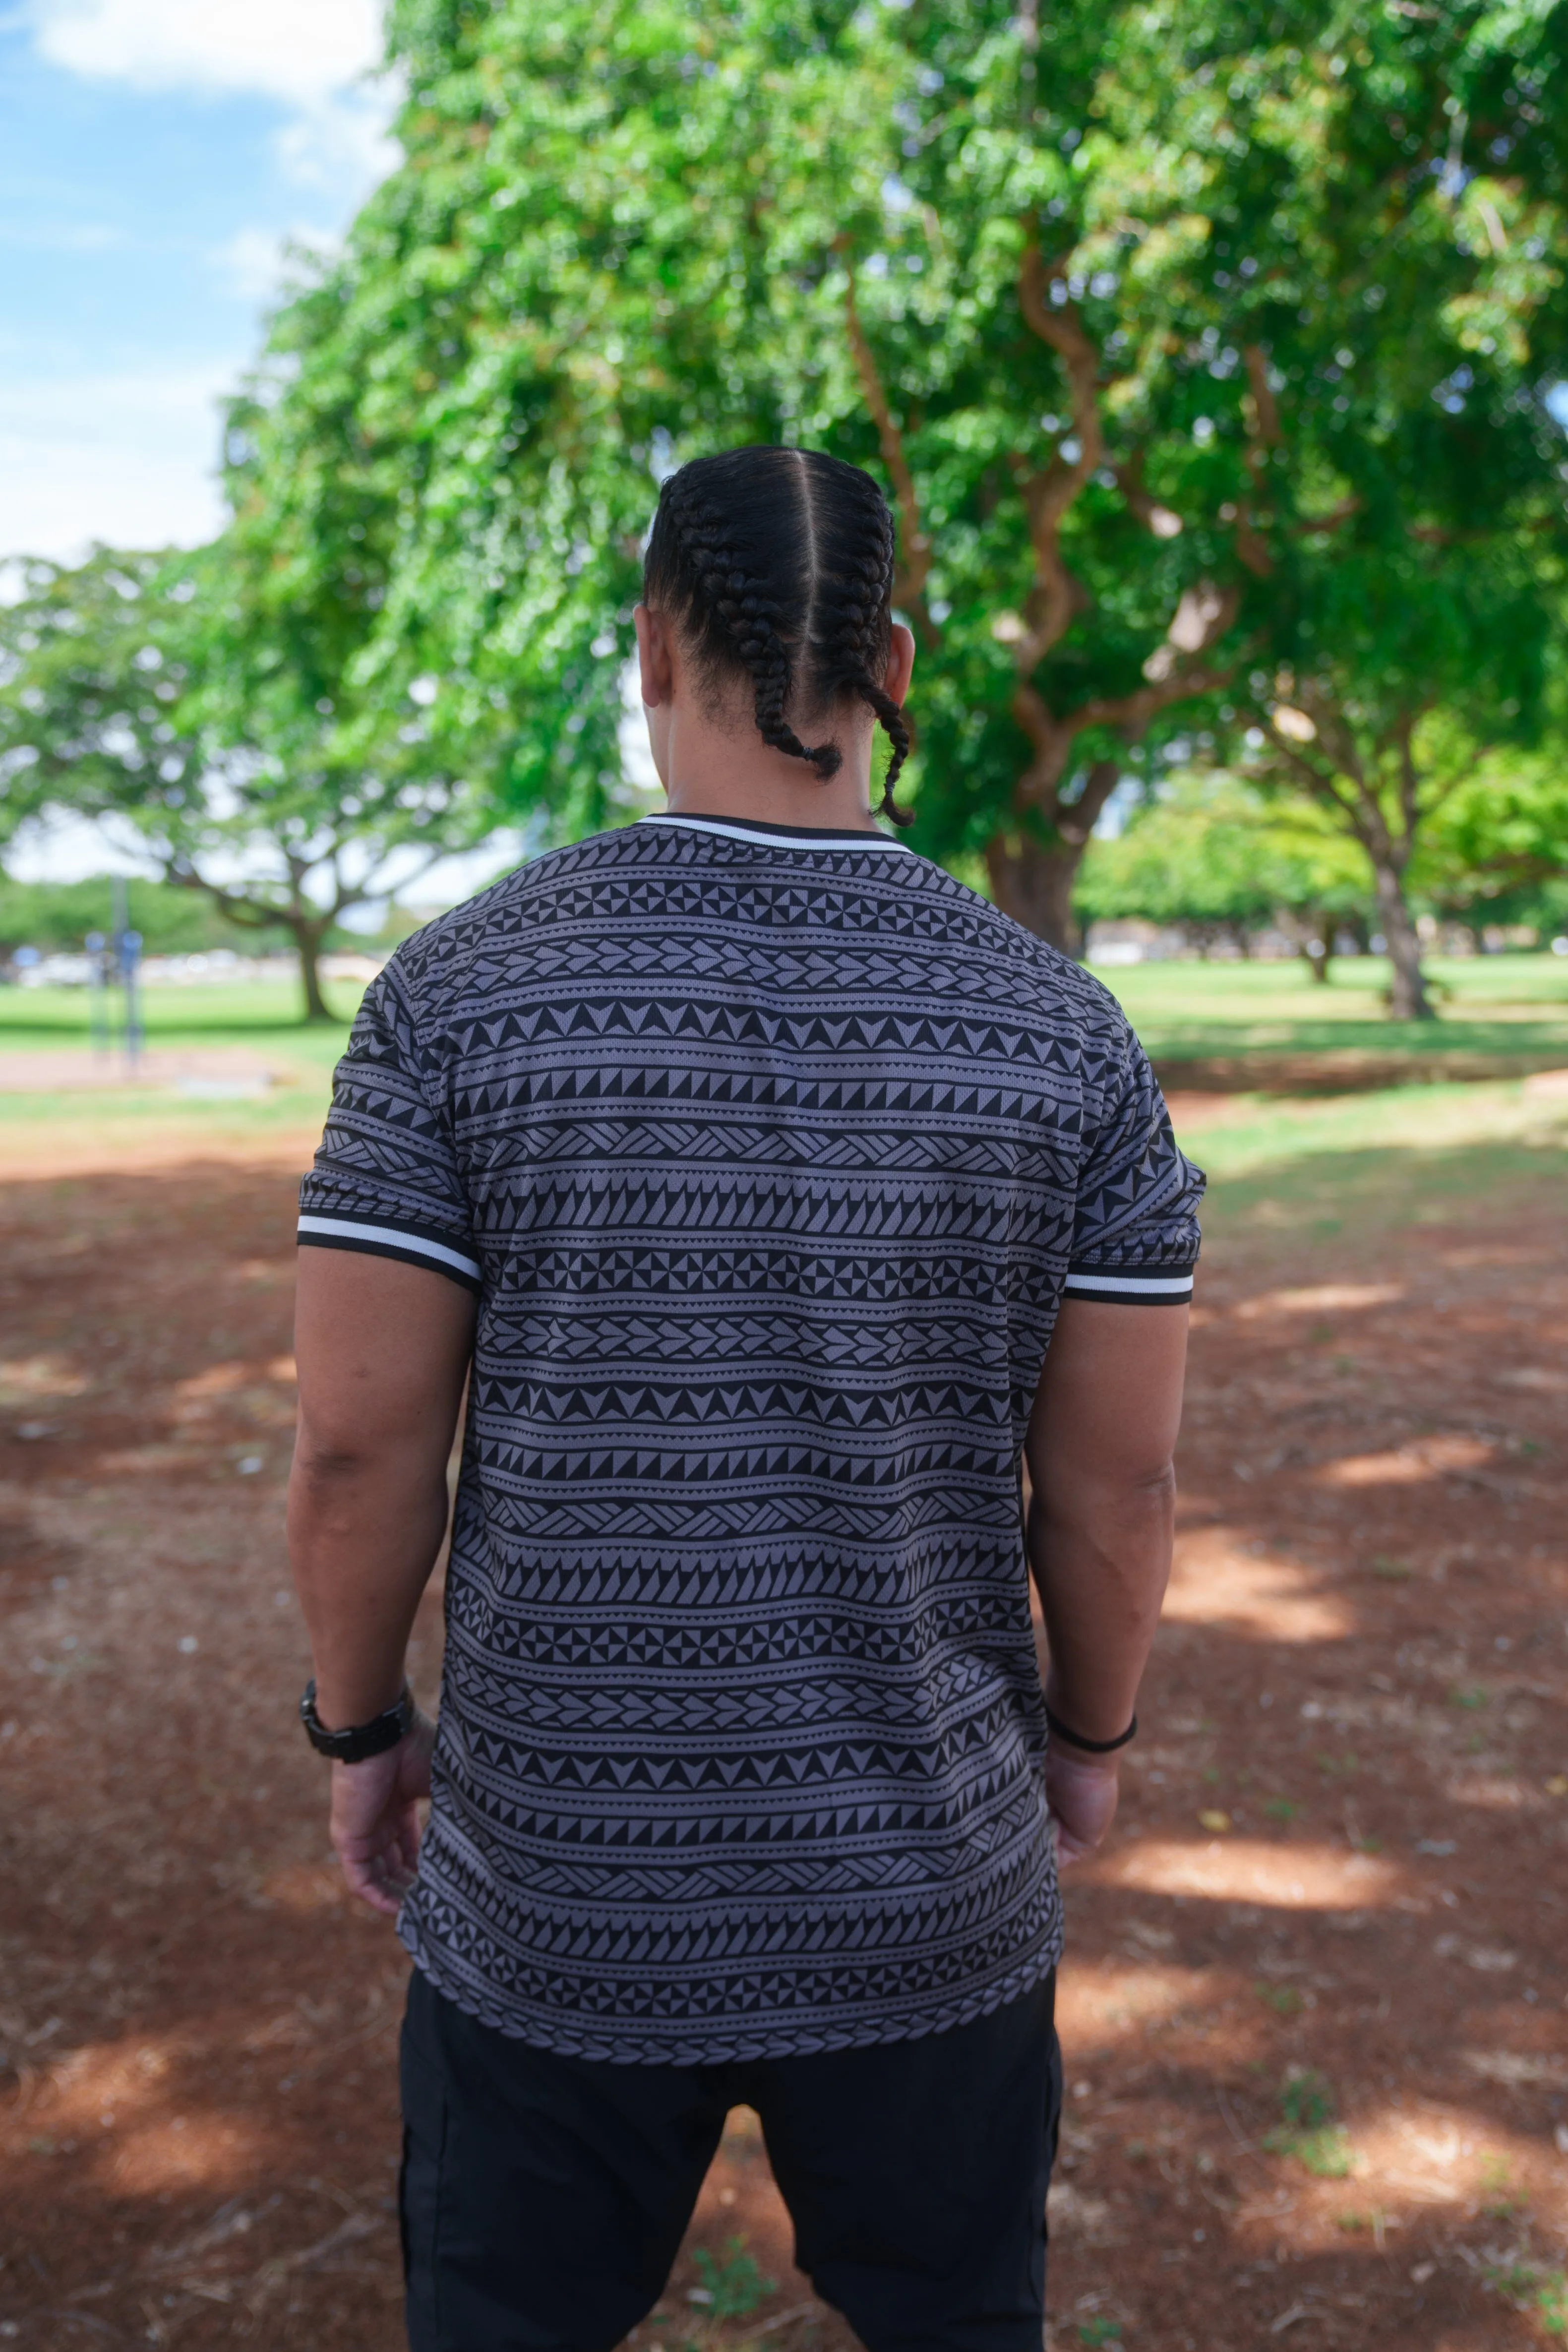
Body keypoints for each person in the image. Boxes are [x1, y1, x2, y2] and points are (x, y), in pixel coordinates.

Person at [287, 444, 1201, 2352]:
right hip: (930, 1885)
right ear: (893, 659)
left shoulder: (460, 994)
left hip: (552, 1887)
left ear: (648, 653)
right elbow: (1115, 1492)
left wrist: (362, 1724)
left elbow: (360, 1447)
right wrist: (1090, 1744)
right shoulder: (1065, 1031)